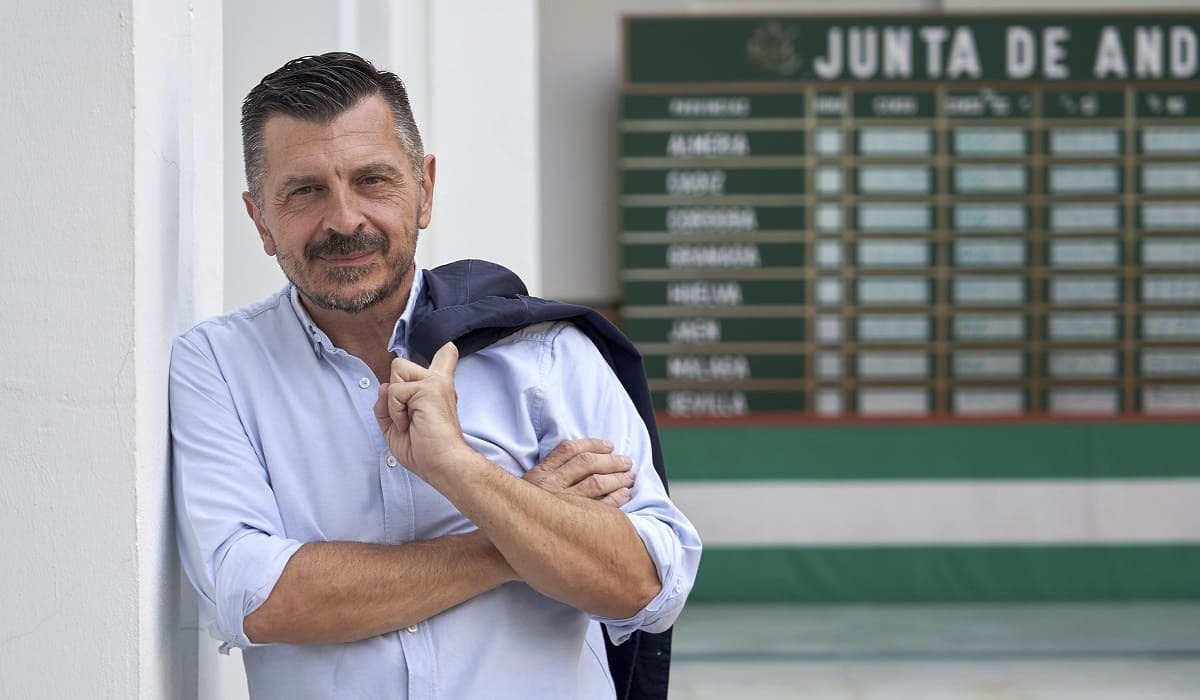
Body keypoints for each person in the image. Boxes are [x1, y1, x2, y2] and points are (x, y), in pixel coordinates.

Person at [170, 52, 701, 700]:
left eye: (373, 180)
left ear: (424, 188)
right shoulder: (220, 366)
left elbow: (645, 585)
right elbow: (255, 599)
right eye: (306, 190)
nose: (344, 219)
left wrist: (458, 468)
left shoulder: (547, 352)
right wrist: (517, 536)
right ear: (260, 219)